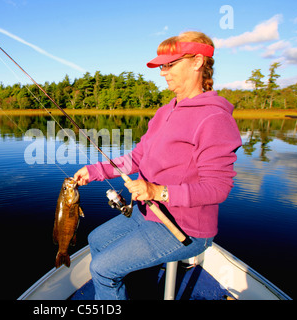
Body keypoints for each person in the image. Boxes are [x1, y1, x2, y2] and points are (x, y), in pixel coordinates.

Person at [73, 31, 242, 300]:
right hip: (147, 214)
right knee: (96, 240)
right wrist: (94, 171)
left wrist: (156, 191)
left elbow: (218, 188)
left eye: (170, 64)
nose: (163, 72)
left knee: (102, 269)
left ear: (198, 61)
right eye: (161, 66)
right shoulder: (166, 111)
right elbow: (138, 157)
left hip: (185, 228)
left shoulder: (214, 119)